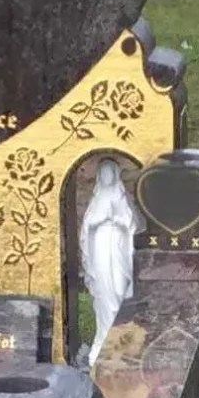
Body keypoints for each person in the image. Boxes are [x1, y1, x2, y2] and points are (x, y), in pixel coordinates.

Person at [80, 156, 138, 365]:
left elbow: (130, 226)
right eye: (102, 174)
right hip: (101, 251)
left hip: (118, 249)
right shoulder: (97, 200)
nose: (106, 177)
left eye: (109, 173)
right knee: (105, 297)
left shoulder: (121, 198)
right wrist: (100, 220)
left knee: (119, 291)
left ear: (114, 175)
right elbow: (87, 229)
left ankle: (122, 341)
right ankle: (103, 339)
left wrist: (118, 221)